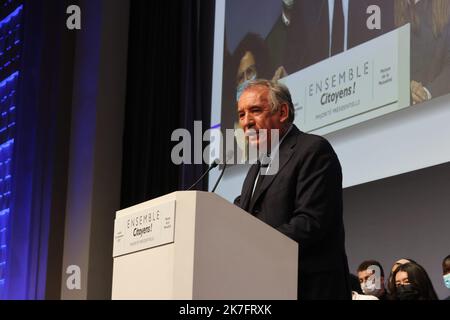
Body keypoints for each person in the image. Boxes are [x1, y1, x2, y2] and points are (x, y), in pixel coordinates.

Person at [234, 79, 351, 300]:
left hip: (310, 289)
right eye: (241, 115)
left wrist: (254, 249)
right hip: (268, 287)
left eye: (255, 111)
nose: (247, 122)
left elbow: (311, 222)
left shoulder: (313, 150)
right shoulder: (257, 167)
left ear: (283, 112)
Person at [394, 0, 450, 105]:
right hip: (400, 111)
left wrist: (427, 92)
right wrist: (406, 87)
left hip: (439, 108)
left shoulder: (445, 9)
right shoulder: (387, 12)